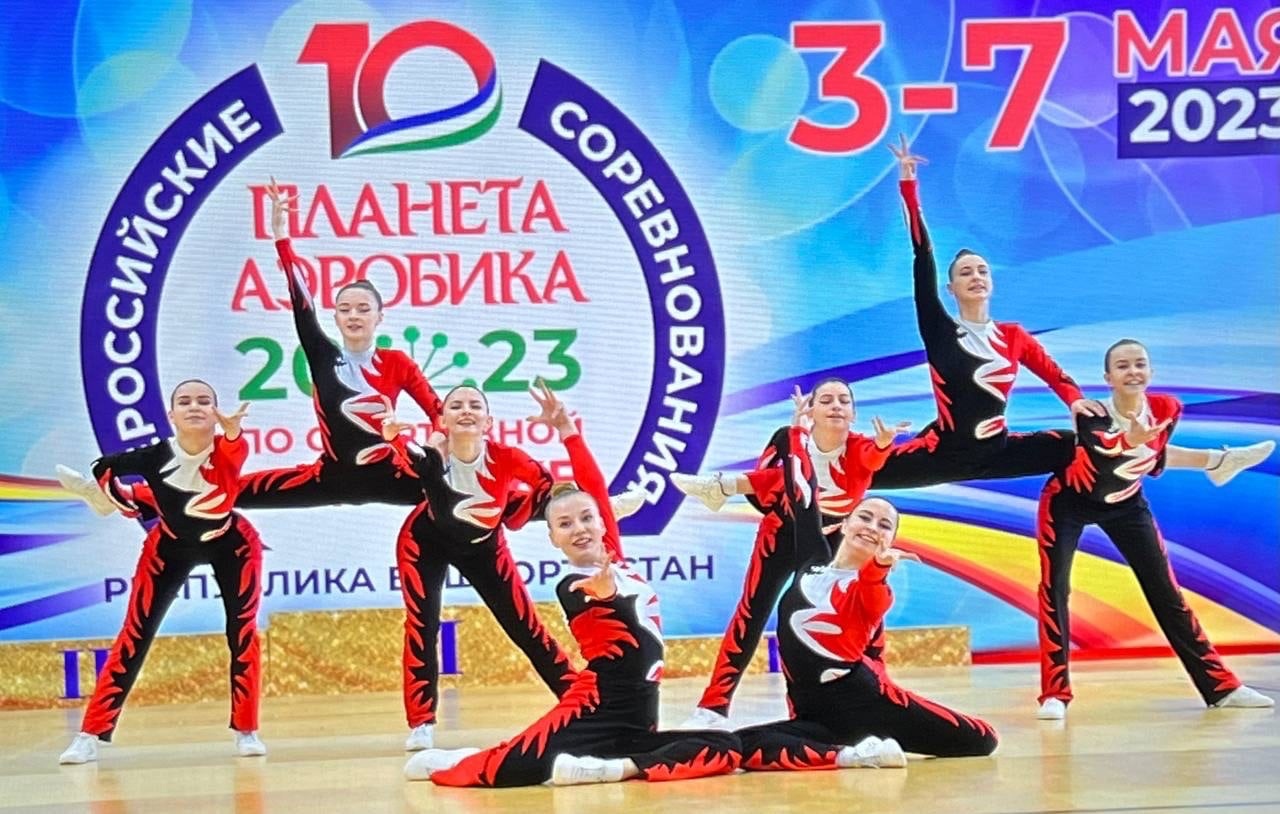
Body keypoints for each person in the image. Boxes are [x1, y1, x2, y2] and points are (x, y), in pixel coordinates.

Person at [403, 381, 741, 786]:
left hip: (636, 725)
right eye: (564, 524)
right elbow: (588, 597)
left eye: (586, 519)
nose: (579, 529)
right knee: (498, 772)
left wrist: (567, 430)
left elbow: (591, 485)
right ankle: (457, 760)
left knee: (725, 746)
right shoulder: (574, 584)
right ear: (553, 538)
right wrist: (606, 593)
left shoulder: (615, 558)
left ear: (602, 521)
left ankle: (614, 769)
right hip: (589, 710)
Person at [736, 411, 998, 769]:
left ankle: (867, 742)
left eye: (884, 525)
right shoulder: (812, 560)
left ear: (890, 540)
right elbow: (803, 492)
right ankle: (851, 755)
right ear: (844, 523)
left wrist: (879, 567)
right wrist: (798, 434)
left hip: (869, 703)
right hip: (814, 715)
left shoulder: (872, 586)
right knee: (744, 746)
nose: (873, 527)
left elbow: (873, 597)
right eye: (865, 517)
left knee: (982, 737)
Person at [1035, 339, 1274, 719]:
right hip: (1068, 502)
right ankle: (1055, 694)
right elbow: (1107, 452)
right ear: (1107, 377)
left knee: (1167, 593)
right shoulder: (1091, 414)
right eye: (1122, 366)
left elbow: (1153, 459)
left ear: (1150, 371)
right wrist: (1132, 439)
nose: (1132, 372)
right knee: (1055, 590)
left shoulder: (1167, 408)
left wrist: (1178, 453)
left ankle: (1221, 688)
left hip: (1127, 504)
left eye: (1139, 364)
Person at [56, 380, 267, 764]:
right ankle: (89, 734)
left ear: (216, 413)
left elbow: (235, 452)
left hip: (231, 544)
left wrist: (234, 432)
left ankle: (247, 729)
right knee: (134, 635)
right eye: (184, 401)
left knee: (243, 632)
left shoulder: (227, 448)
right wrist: (113, 497)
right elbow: (103, 466)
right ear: (171, 415)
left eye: (204, 401)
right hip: (169, 547)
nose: (194, 406)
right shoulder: (155, 455)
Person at [673, 380, 906, 727]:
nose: (836, 405)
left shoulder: (860, 448)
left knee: (857, 617)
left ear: (854, 414)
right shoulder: (791, 440)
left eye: (844, 400)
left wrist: (885, 443)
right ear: (812, 410)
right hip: (782, 533)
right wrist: (797, 432)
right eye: (826, 400)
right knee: (751, 613)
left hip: (830, 541)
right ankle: (712, 708)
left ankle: (875, 697)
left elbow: (873, 458)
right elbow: (785, 490)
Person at [380, 385, 577, 752]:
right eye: (456, 406)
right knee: (422, 624)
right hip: (424, 543)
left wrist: (514, 517)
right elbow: (412, 458)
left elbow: (545, 483)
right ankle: (421, 722)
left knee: (526, 626)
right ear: (442, 421)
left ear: (489, 422)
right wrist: (394, 437)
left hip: (484, 547)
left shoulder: (506, 456)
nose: (466, 410)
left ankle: (579, 700)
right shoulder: (433, 456)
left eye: (475, 405)